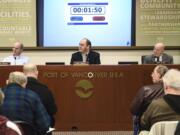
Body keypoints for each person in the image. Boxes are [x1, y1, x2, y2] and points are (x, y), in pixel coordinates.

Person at [130, 65, 168, 134]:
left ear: (159, 75)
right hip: (170, 127)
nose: (151, 75)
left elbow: (133, 109)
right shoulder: (174, 90)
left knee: (135, 116)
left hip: (148, 126)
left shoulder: (145, 90)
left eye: (153, 73)